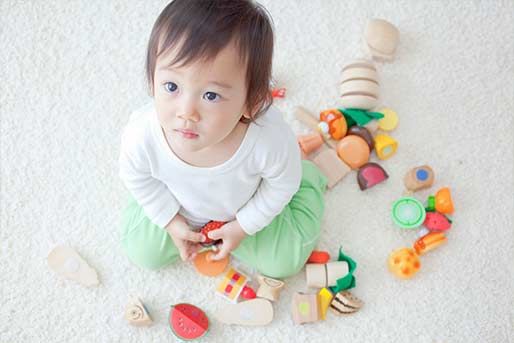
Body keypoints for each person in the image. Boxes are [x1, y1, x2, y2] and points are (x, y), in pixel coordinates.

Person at [119, 0, 327, 278]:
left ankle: (310, 176)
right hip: (180, 209)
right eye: (171, 86)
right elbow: (136, 176)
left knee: (283, 263)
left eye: (211, 95)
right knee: (141, 250)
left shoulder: (269, 141)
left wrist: (244, 225)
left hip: (243, 209)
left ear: (252, 103)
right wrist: (168, 219)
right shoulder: (142, 135)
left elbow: (280, 186)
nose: (186, 113)